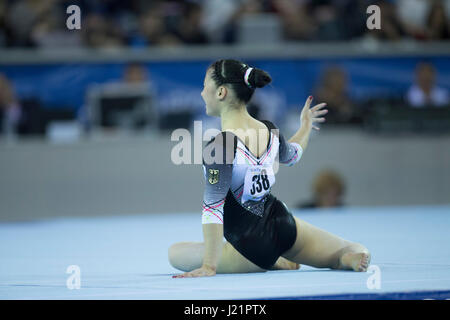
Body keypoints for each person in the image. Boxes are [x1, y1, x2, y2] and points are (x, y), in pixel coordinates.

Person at [169, 59, 370, 278]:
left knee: (175, 253)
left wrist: (209, 266)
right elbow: (292, 156)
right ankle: (345, 259)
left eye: (205, 85)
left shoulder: (221, 144)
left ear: (221, 93)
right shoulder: (269, 129)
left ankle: (272, 260)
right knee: (351, 249)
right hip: (283, 224)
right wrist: (305, 127)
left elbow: (213, 209)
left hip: (250, 248)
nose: (201, 93)